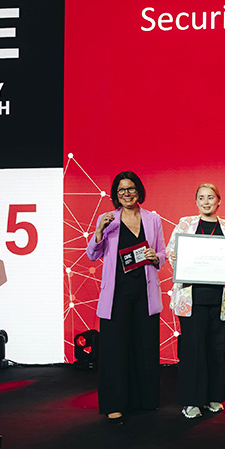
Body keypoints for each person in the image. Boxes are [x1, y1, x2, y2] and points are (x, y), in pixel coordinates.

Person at [86, 171, 165, 424]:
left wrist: (157, 258)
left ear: (139, 191)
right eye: (121, 191)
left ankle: (145, 400)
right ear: (115, 195)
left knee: (145, 346)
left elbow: (162, 253)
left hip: (144, 291)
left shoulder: (152, 219)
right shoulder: (107, 219)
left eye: (130, 189)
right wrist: (99, 231)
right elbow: (92, 254)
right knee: (115, 349)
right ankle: (115, 403)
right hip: (116, 293)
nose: (126, 194)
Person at [166, 183, 225, 419]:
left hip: (221, 299)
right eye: (201, 198)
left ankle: (214, 397)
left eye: (210, 197)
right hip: (192, 299)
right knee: (192, 350)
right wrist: (174, 255)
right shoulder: (185, 224)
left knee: (218, 349)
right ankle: (191, 401)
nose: (206, 202)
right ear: (196, 201)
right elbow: (170, 252)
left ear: (219, 200)